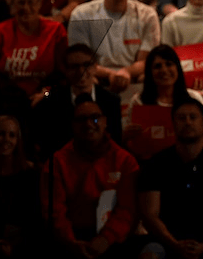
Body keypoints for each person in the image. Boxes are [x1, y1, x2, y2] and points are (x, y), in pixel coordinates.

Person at [138, 99, 203, 259]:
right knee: (149, 254)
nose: (187, 122)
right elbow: (149, 215)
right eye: (181, 118)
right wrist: (174, 244)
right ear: (173, 123)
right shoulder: (156, 163)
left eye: (193, 117)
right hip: (165, 241)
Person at [41, 99, 138, 259]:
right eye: (81, 119)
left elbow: (128, 209)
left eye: (94, 118)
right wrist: (71, 242)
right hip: (69, 239)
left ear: (105, 122)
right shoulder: (56, 163)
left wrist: (106, 239)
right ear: (72, 125)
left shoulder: (125, 161)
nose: (88, 124)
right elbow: (54, 212)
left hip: (113, 238)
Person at [68, 0, 160, 94]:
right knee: (82, 75)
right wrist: (111, 75)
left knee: (148, 77)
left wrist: (126, 72)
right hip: (95, 78)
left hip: (133, 78)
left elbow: (145, 60)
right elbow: (81, 61)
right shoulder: (81, 15)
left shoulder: (148, 15)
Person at [33, 43, 123, 159]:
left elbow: (115, 141)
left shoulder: (111, 101)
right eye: (75, 66)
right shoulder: (51, 102)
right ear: (65, 70)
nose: (81, 72)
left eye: (87, 65)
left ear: (95, 67)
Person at [0, 0, 66, 98]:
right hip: (7, 97)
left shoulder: (56, 30)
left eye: (31, 2)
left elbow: (63, 74)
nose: (26, 8)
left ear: (39, 4)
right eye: (21, 2)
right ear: (12, 6)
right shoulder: (0, 31)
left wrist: (46, 93)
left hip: (46, 96)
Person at [0, 115, 41, 259]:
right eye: (1, 134)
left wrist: (15, 248)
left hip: (24, 246)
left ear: (18, 141)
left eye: (12, 135)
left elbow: (36, 220)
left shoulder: (30, 175)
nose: (6, 139)